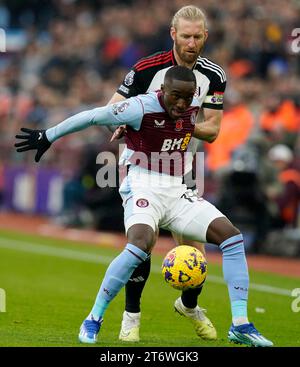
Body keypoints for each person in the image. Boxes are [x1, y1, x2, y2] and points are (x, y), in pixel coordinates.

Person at [15, 65, 273, 347]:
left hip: (176, 189)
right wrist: (48, 135)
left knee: (232, 237)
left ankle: (240, 325)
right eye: (176, 96)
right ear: (163, 91)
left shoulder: (189, 106)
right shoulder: (139, 107)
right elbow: (92, 116)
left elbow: (210, 127)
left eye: (188, 98)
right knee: (140, 243)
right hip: (142, 185)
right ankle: (93, 318)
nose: (182, 104)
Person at [107, 5, 225, 342]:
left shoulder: (214, 76)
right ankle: (131, 318)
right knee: (142, 244)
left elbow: (213, 129)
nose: (191, 42)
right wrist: (125, 119)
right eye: (185, 36)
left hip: (181, 171)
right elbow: (114, 105)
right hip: (141, 166)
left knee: (195, 257)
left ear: (206, 36)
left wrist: (180, 120)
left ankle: (189, 306)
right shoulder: (147, 69)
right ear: (173, 34)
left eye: (197, 36)